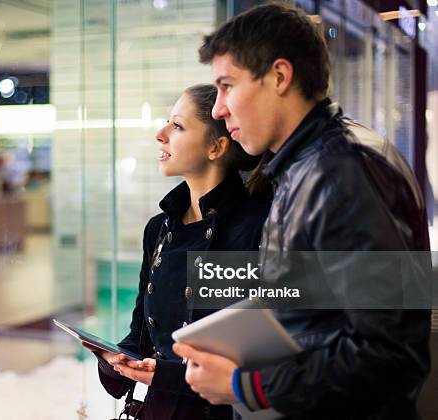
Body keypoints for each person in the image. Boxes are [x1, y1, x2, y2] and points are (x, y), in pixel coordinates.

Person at [172, 3, 432, 420]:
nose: (219, 109)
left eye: (227, 85)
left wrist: (247, 386)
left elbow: (392, 355)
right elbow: (318, 320)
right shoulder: (302, 168)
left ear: (279, 76)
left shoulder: (343, 173)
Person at [84, 83, 271, 420]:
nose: (161, 134)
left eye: (178, 126)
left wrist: (167, 375)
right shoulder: (159, 229)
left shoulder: (258, 228)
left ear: (216, 147)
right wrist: (116, 361)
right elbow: (141, 336)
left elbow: (257, 363)